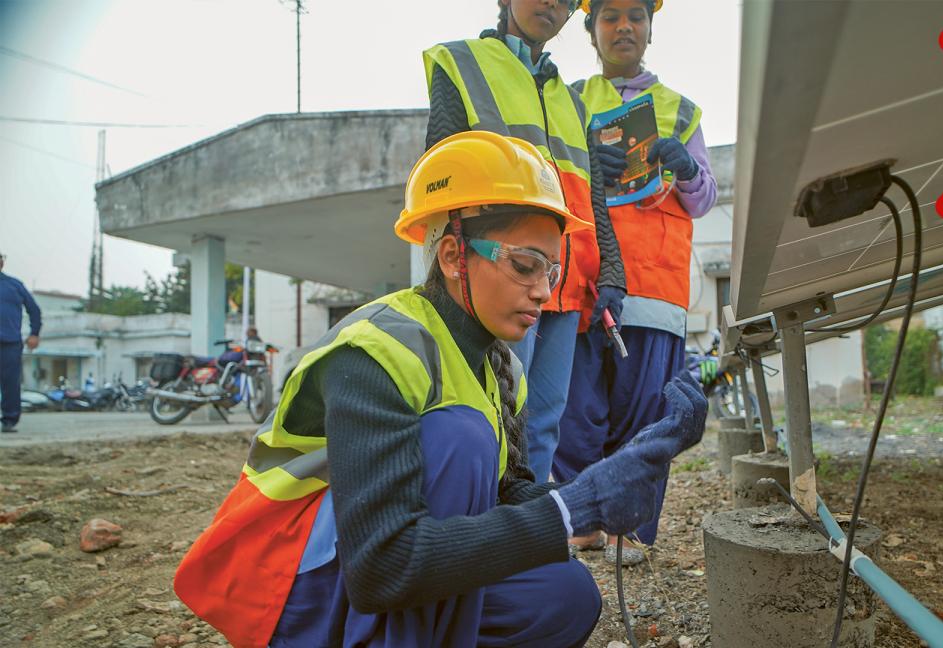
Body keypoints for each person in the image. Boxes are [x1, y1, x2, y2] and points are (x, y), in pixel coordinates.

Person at [172, 132, 708, 648]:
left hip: (378, 574)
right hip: (293, 589)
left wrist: (604, 485)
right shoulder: (376, 349)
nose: (544, 292)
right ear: (453, 256)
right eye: (525, 265)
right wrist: (572, 509)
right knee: (461, 437)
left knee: (564, 597)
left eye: (552, 270)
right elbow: (382, 567)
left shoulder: (501, 367)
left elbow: (508, 494)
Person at [423, 0, 628, 484]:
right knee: (490, 414)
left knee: (545, 420)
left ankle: (527, 519)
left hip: (563, 283)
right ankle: (485, 520)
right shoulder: (463, 63)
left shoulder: (574, 103)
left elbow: (594, 198)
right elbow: (442, 175)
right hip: (498, 275)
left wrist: (611, 272)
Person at [556, 0, 718, 565]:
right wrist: (583, 167)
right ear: (590, 30)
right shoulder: (569, 101)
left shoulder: (682, 111)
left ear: (650, 28)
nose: (624, 26)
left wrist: (688, 169)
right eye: (610, 16)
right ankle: (581, 521)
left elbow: (704, 200)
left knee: (644, 413)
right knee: (576, 409)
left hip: (655, 286)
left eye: (635, 15)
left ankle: (627, 527)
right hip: (582, 278)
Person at [0, 252, 42, 433]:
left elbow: (34, 310)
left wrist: (34, 334)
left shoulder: (14, 285)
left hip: (10, 342)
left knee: (10, 383)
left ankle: (9, 419)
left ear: (2, 263)